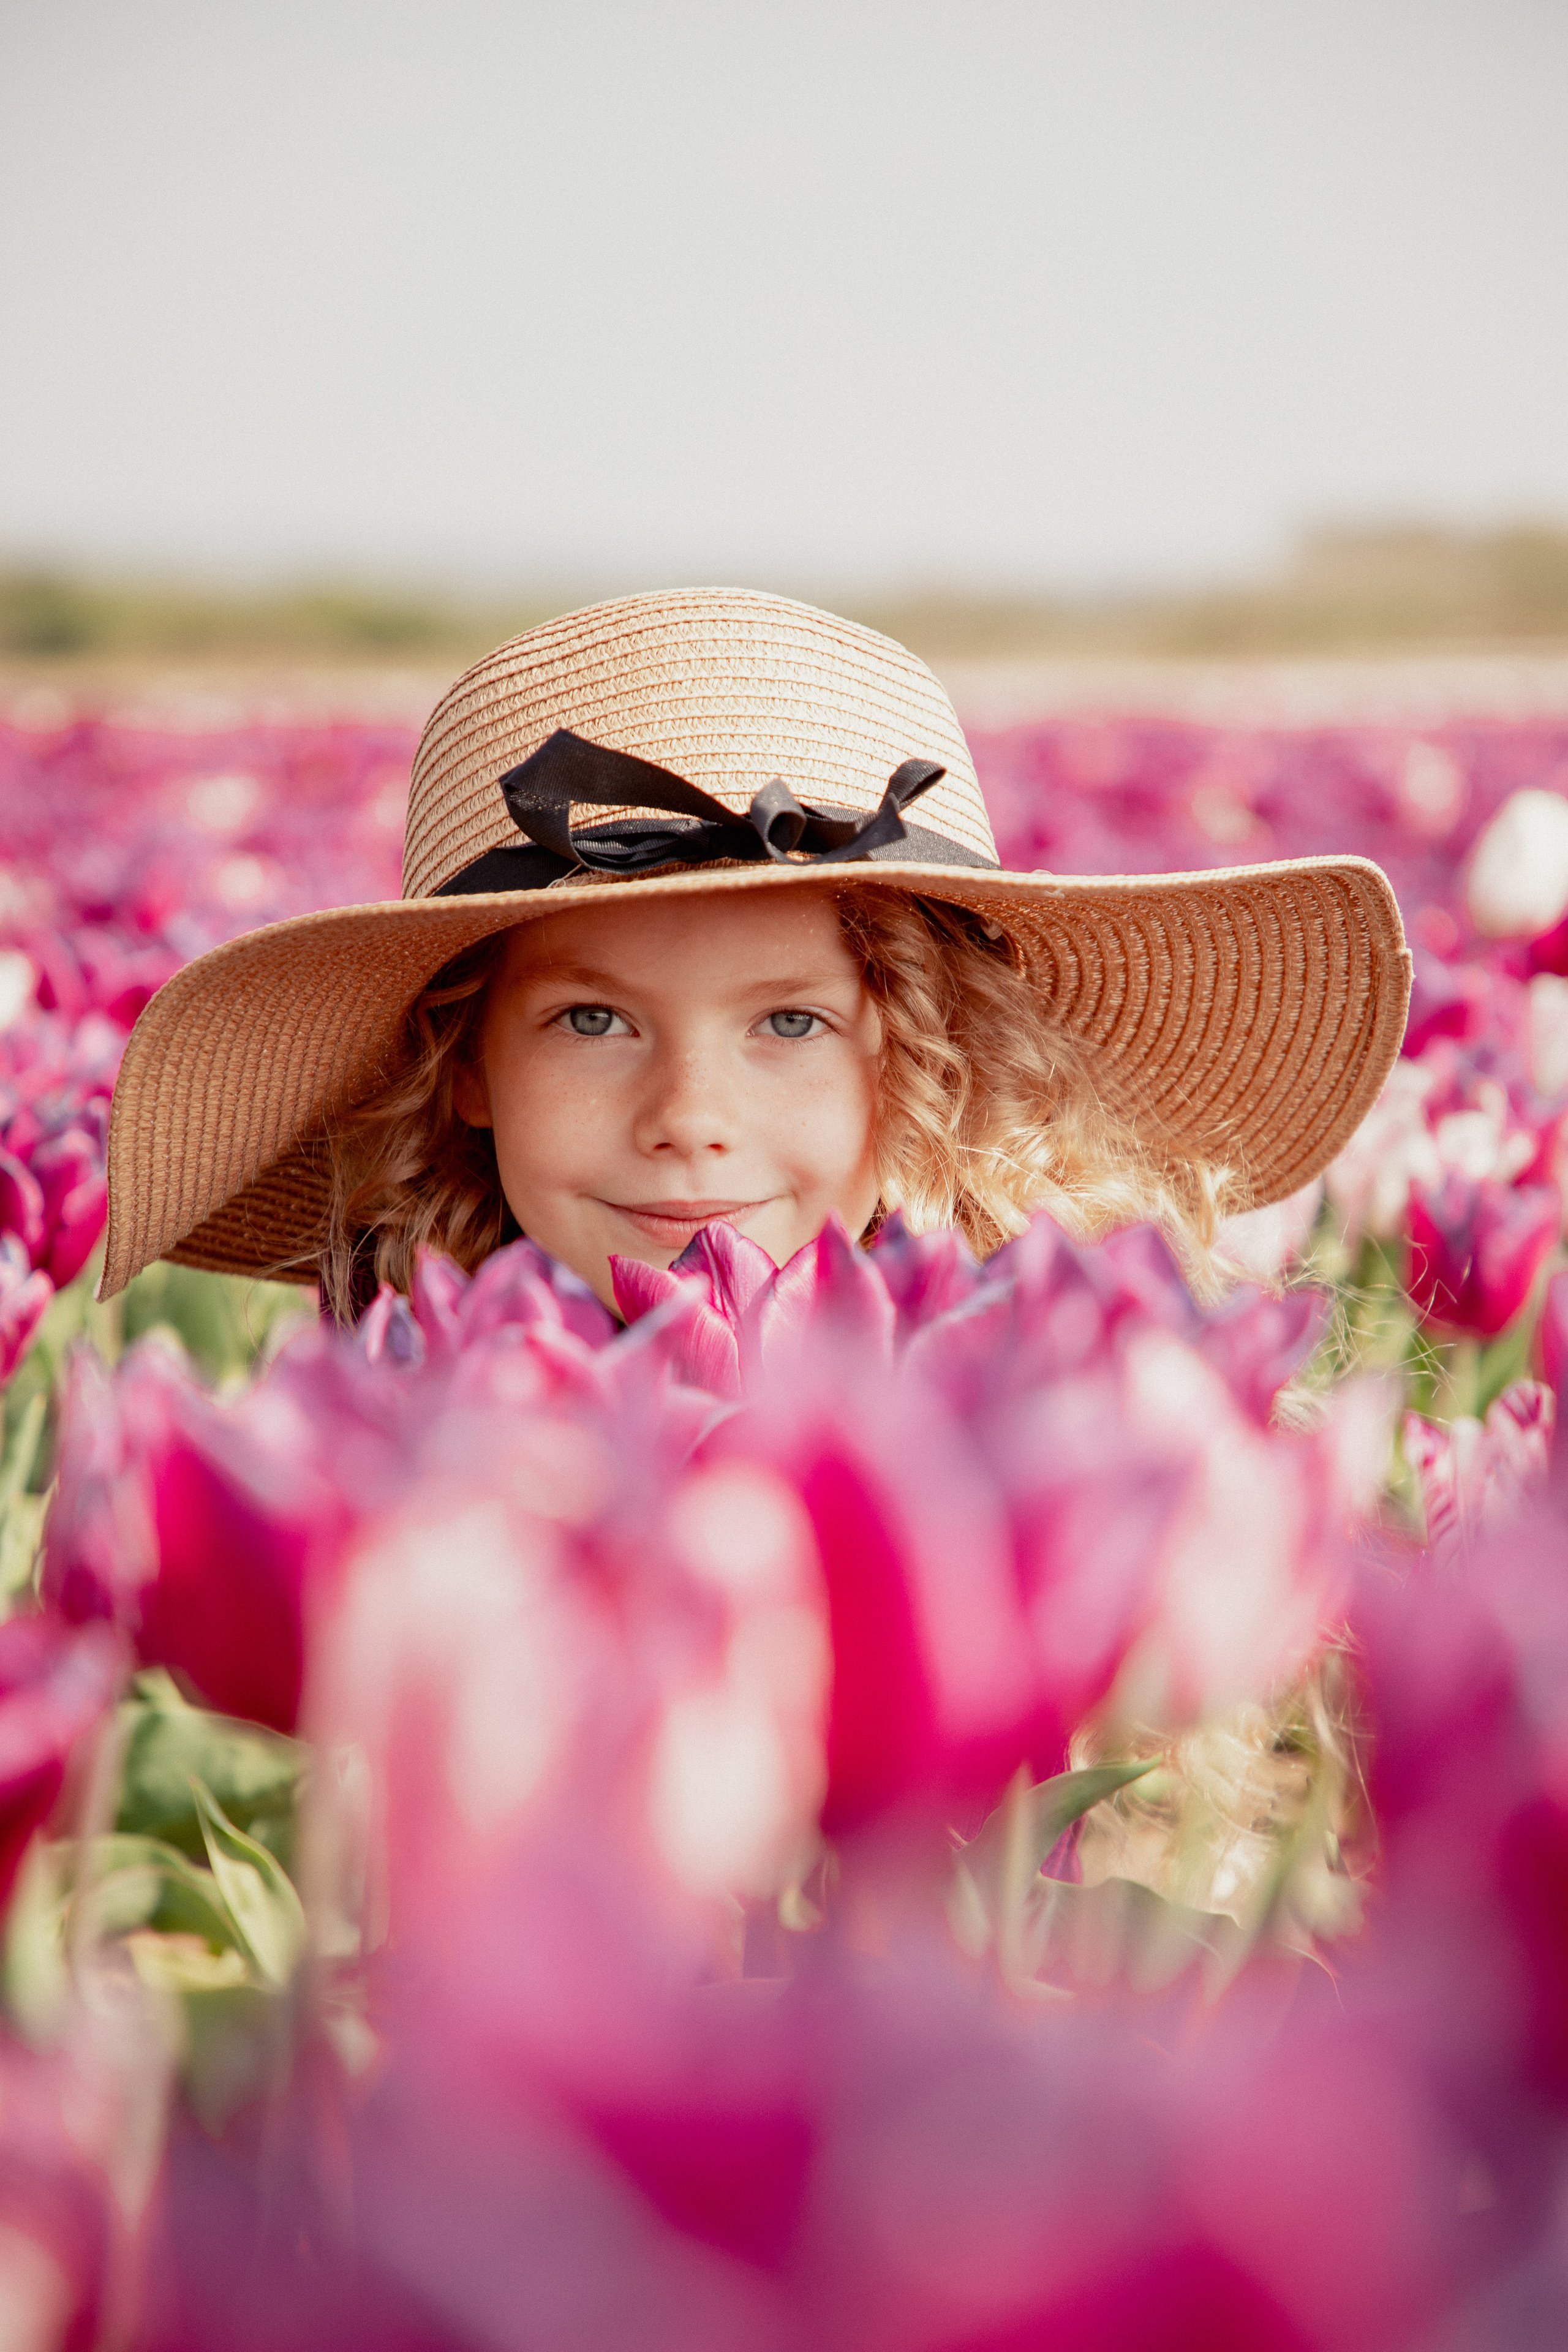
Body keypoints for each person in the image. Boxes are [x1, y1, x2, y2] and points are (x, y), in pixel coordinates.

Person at [99, 589, 1411, 1323]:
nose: (689, 1122)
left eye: (788, 1024)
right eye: (591, 1022)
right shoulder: (381, 1430)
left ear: (922, 1063)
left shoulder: (1050, 1428)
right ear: (464, 1066)